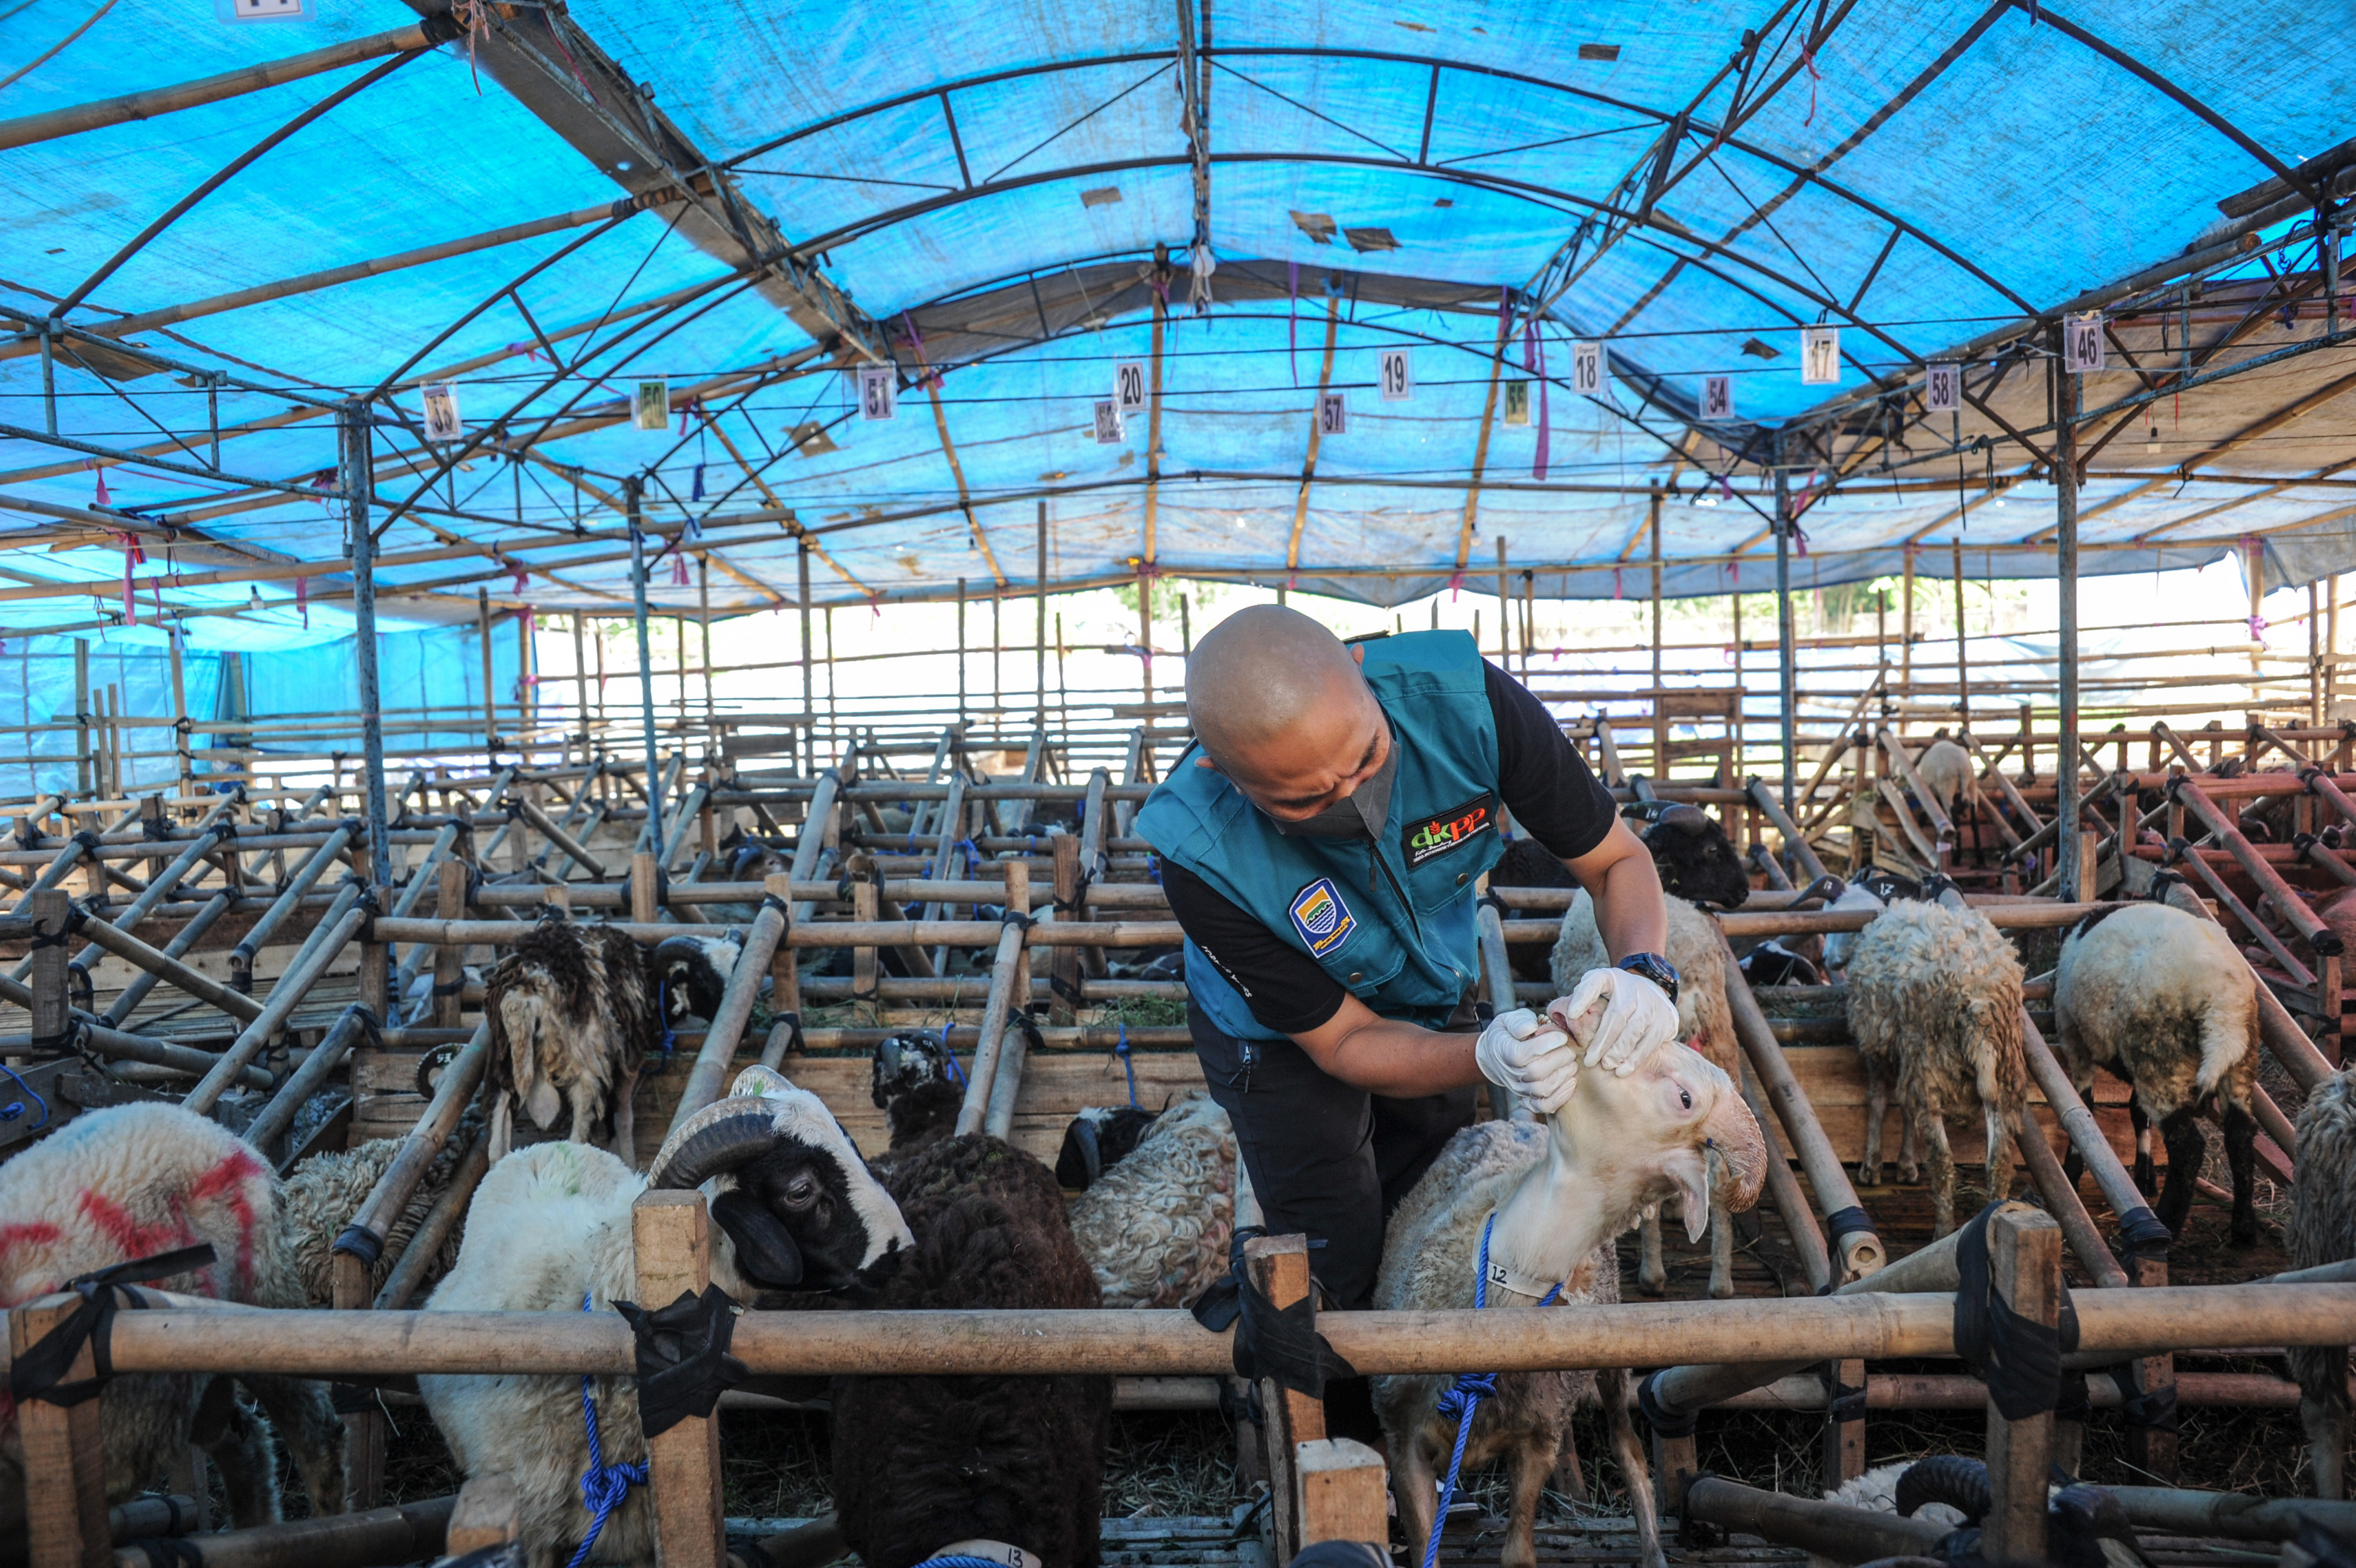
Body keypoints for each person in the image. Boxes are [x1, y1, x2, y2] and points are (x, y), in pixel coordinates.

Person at [1135, 607, 1682, 1434]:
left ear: (1362, 668)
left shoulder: (1471, 708)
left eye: (1366, 758)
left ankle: (1428, 1425)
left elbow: (1616, 861)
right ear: (1225, 773)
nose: (1352, 798)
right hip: (1282, 1037)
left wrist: (1642, 972)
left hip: (1430, 975)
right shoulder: (1200, 855)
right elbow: (1346, 1042)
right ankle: (1351, 1456)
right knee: (1336, 1242)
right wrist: (1487, 1056)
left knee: (1427, 1205)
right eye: (1307, 797)